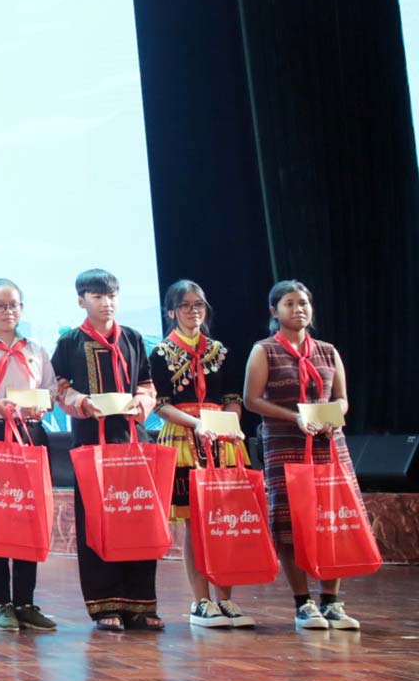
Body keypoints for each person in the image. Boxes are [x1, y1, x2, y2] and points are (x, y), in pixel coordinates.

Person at [244, 280, 361, 632]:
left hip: (328, 444)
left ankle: (332, 601)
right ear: (274, 311)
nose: (299, 309)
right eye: (290, 304)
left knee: (332, 518)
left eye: (304, 303)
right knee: (290, 523)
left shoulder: (327, 351)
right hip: (285, 445)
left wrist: (332, 416)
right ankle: (303, 602)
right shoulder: (264, 350)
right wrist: (295, 417)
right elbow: (252, 400)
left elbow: (341, 399)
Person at [51, 268, 161, 632]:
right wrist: (83, 402)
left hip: (132, 441)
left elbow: (147, 383)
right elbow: (58, 388)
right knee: (97, 521)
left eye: (112, 296)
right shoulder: (69, 342)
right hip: (90, 443)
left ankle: (141, 603)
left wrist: (142, 402)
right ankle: (104, 605)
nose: (106, 303)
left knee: (137, 515)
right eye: (98, 296)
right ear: (81, 300)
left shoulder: (132, 337)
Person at [148, 279, 251, 630]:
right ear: (171, 312)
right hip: (183, 438)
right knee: (194, 521)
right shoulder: (161, 353)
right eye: (186, 305)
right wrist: (197, 423)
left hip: (222, 441)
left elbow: (233, 398)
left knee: (225, 519)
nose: (194, 311)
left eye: (199, 305)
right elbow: (161, 405)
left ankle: (226, 598)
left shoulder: (220, 351)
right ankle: (201, 600)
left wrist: (228, 423)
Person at [0, 279, 60, 633]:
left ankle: (25, 601)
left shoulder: (36, 348)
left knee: (27, 516)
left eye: (14, 305)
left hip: (31, 434)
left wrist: (42, 405)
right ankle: (1, 603)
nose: (8, 312)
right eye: (0, 305)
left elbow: (50, 390)